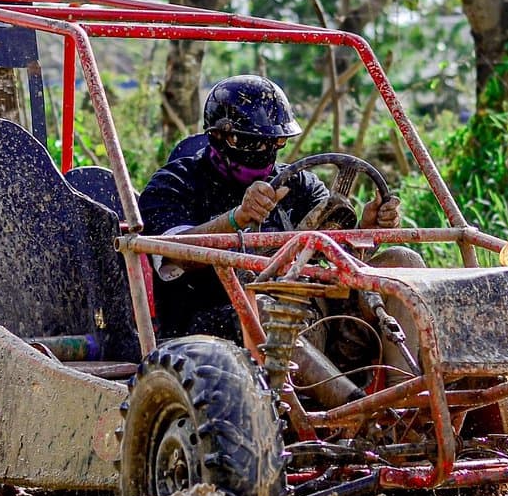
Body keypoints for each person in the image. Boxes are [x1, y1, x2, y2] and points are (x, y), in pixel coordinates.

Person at [139, 75, 402, 348]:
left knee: (401, 259)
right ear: (218, 136)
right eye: (253, 142)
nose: (265, 150)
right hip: (208, 324)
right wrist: (236, 218)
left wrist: (367, 229)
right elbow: (174, 254)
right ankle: (325, 376)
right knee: (269, 310)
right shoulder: (175, 183)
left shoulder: (298, 183)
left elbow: (337, 249)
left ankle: (408, 372)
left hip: (301, 305)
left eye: (275, 141)